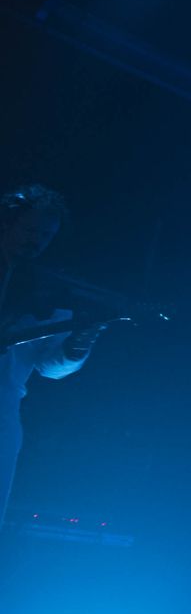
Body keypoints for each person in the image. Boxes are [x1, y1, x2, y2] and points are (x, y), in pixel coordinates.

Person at [1, 185, 104, 524]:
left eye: (46, 235)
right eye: (30, 230)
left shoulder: (50, 291)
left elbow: (50, 367)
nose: (38, 241)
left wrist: (82, 338)